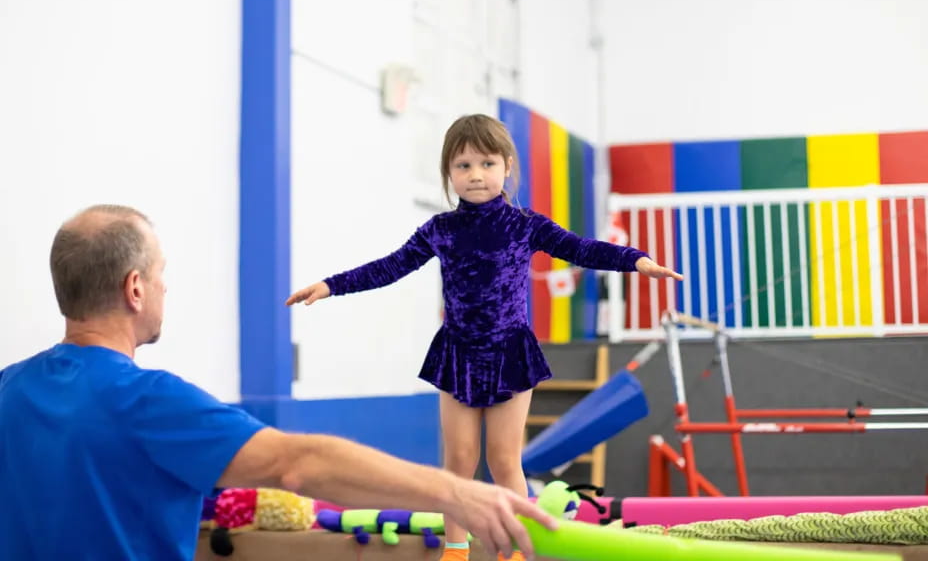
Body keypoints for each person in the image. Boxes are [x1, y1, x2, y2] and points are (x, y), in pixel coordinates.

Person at [0, 205, 557, 561]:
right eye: (161, 273)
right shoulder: (145, 400)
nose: (166, 288)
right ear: (135, 289)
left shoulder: (9, 389)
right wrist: (455, 490)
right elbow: (298, 463)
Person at [287, 114, 684, 561]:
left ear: (507, 166)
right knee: (458, 460)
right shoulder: (440, 230)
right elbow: (388, 267)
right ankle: (456, 549)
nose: (475, 174)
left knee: (503, 461)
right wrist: (331, 285)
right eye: (463, 166)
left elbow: (581, 248)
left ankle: (514, 549)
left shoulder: (524, 224)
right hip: (457, 353)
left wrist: (636, 260)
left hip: (509, 352)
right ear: (448, 173)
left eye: (487, 163)